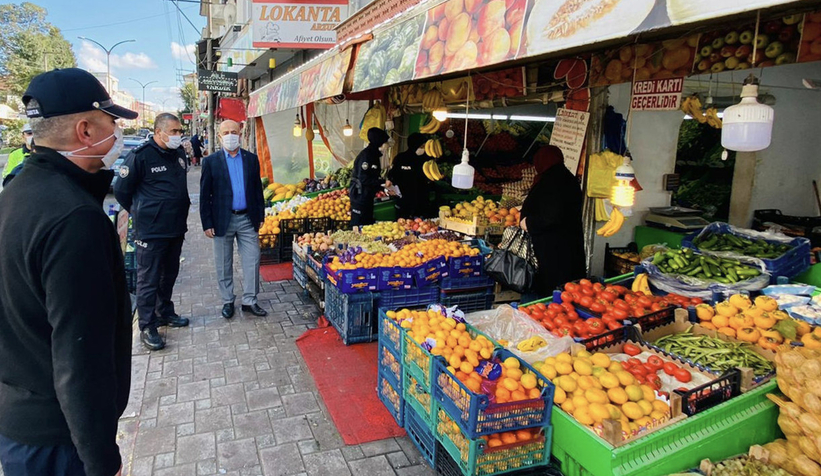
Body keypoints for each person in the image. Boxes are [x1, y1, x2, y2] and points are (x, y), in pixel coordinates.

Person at [0, 68, 135, 476]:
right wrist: (100, 458)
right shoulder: (74, 218)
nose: (117, 134)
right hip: (61, 442)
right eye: (112, 123)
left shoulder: (17, 194)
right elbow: (81, 353)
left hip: (22, 424)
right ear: (86, 131)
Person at [114, 113, 190, 351]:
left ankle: (164, 311)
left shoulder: (178, 154)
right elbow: (121, 191)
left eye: (180, 131)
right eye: (174, 131)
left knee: (170, 274)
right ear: (159, 132)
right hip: (150, 231)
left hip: (175, 227)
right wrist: (141, 212)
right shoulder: (141, 156)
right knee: (148, 279)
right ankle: (147, 325)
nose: (178, 135)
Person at [200, 120, 267, 319]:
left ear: (241, 134)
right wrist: (207, 222)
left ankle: (250, 300)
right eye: (226, 132)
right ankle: (227, 300)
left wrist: (260, 215)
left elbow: (257, 190)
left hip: (247, 218)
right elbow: (205, 195)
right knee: (223, 262)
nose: (230, 135)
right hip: (222, 219)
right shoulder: (211, 161)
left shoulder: (251, 159)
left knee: (252, 259)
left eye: (234, 132)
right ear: (220, 136)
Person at [519, 145, 586, 299]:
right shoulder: (563, 177)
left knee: (556, 289)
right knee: (563, 287)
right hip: (562, 246)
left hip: (555, 249)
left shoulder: (555, 182)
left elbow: (552, 216)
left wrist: (528, 223)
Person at [350, 127, 390, 227]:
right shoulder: (366, 156)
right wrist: (382, 183)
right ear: (379, 142)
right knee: (359, 225)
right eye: (385, 142)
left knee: (368, 224)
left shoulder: (374, 155)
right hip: (360, 196)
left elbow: (373, 176)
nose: (387, 145)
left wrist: (383, 188)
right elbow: (363, 178)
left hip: (367, 195)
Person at [388, 132, 430, 219]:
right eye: (421, 146)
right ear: (414, 145)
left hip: (421, 201)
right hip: (403, 201)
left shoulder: (427, 160)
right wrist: (392, 189)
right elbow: (392, 176)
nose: (423, 149)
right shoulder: (401, 158)